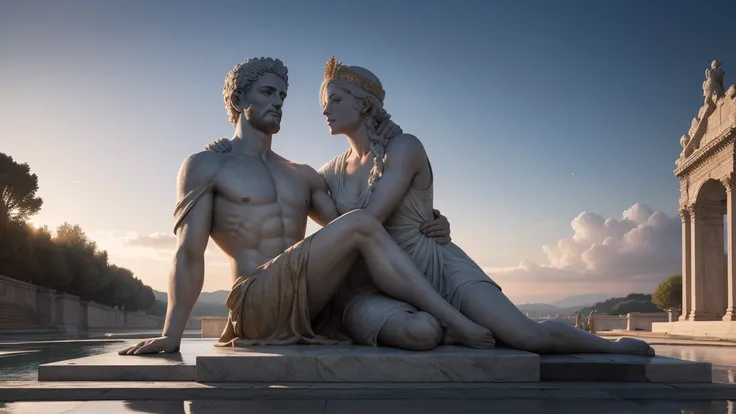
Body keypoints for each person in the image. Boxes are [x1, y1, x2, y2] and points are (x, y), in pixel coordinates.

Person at [210, 56, 654, 356]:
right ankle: (443, 328)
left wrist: (436, 221)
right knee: (423, 334)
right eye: (323, 105)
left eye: (335, 101)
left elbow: (371, 220)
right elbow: (334, 228)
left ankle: (610, 349)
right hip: (376, 284)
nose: (325, 111)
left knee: (524, 335)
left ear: (364, 104)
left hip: (434, 263)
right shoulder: (328, 171)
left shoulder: (405, 148)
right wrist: (231, 152)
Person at [119, 57, 494, 356]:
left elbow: (359, 234)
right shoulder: (206, 165)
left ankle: (442, 322)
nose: (277, 103)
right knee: (360, 224)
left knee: (422, 332)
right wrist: (172, 334)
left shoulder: (302, 175)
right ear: (238, 100)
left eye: (282, 96)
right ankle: (457, 322)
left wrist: (429, 219)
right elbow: (189, 253)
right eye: (267, 92)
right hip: (255, 303)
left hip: (313, 306)